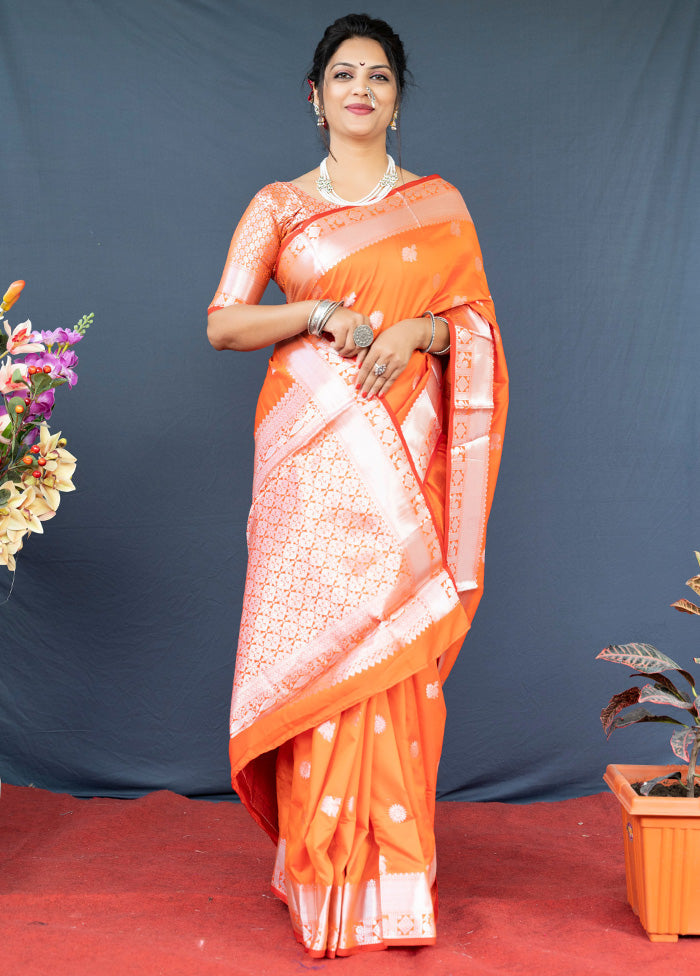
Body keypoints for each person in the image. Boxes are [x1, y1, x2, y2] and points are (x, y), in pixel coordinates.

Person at [207, 12, 508, 958]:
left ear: (397, 95)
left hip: (404, 455)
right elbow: (223, 323)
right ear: (315, 94)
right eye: (344, 75)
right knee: (327, 662)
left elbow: (476, 330)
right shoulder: (280, 207)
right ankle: (322, 884)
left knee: (391, 665)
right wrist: (320, 311)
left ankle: (390, 889)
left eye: (379, 76)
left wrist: (418, 334)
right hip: (310, 461)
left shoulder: (440, 204)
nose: (361, 90)